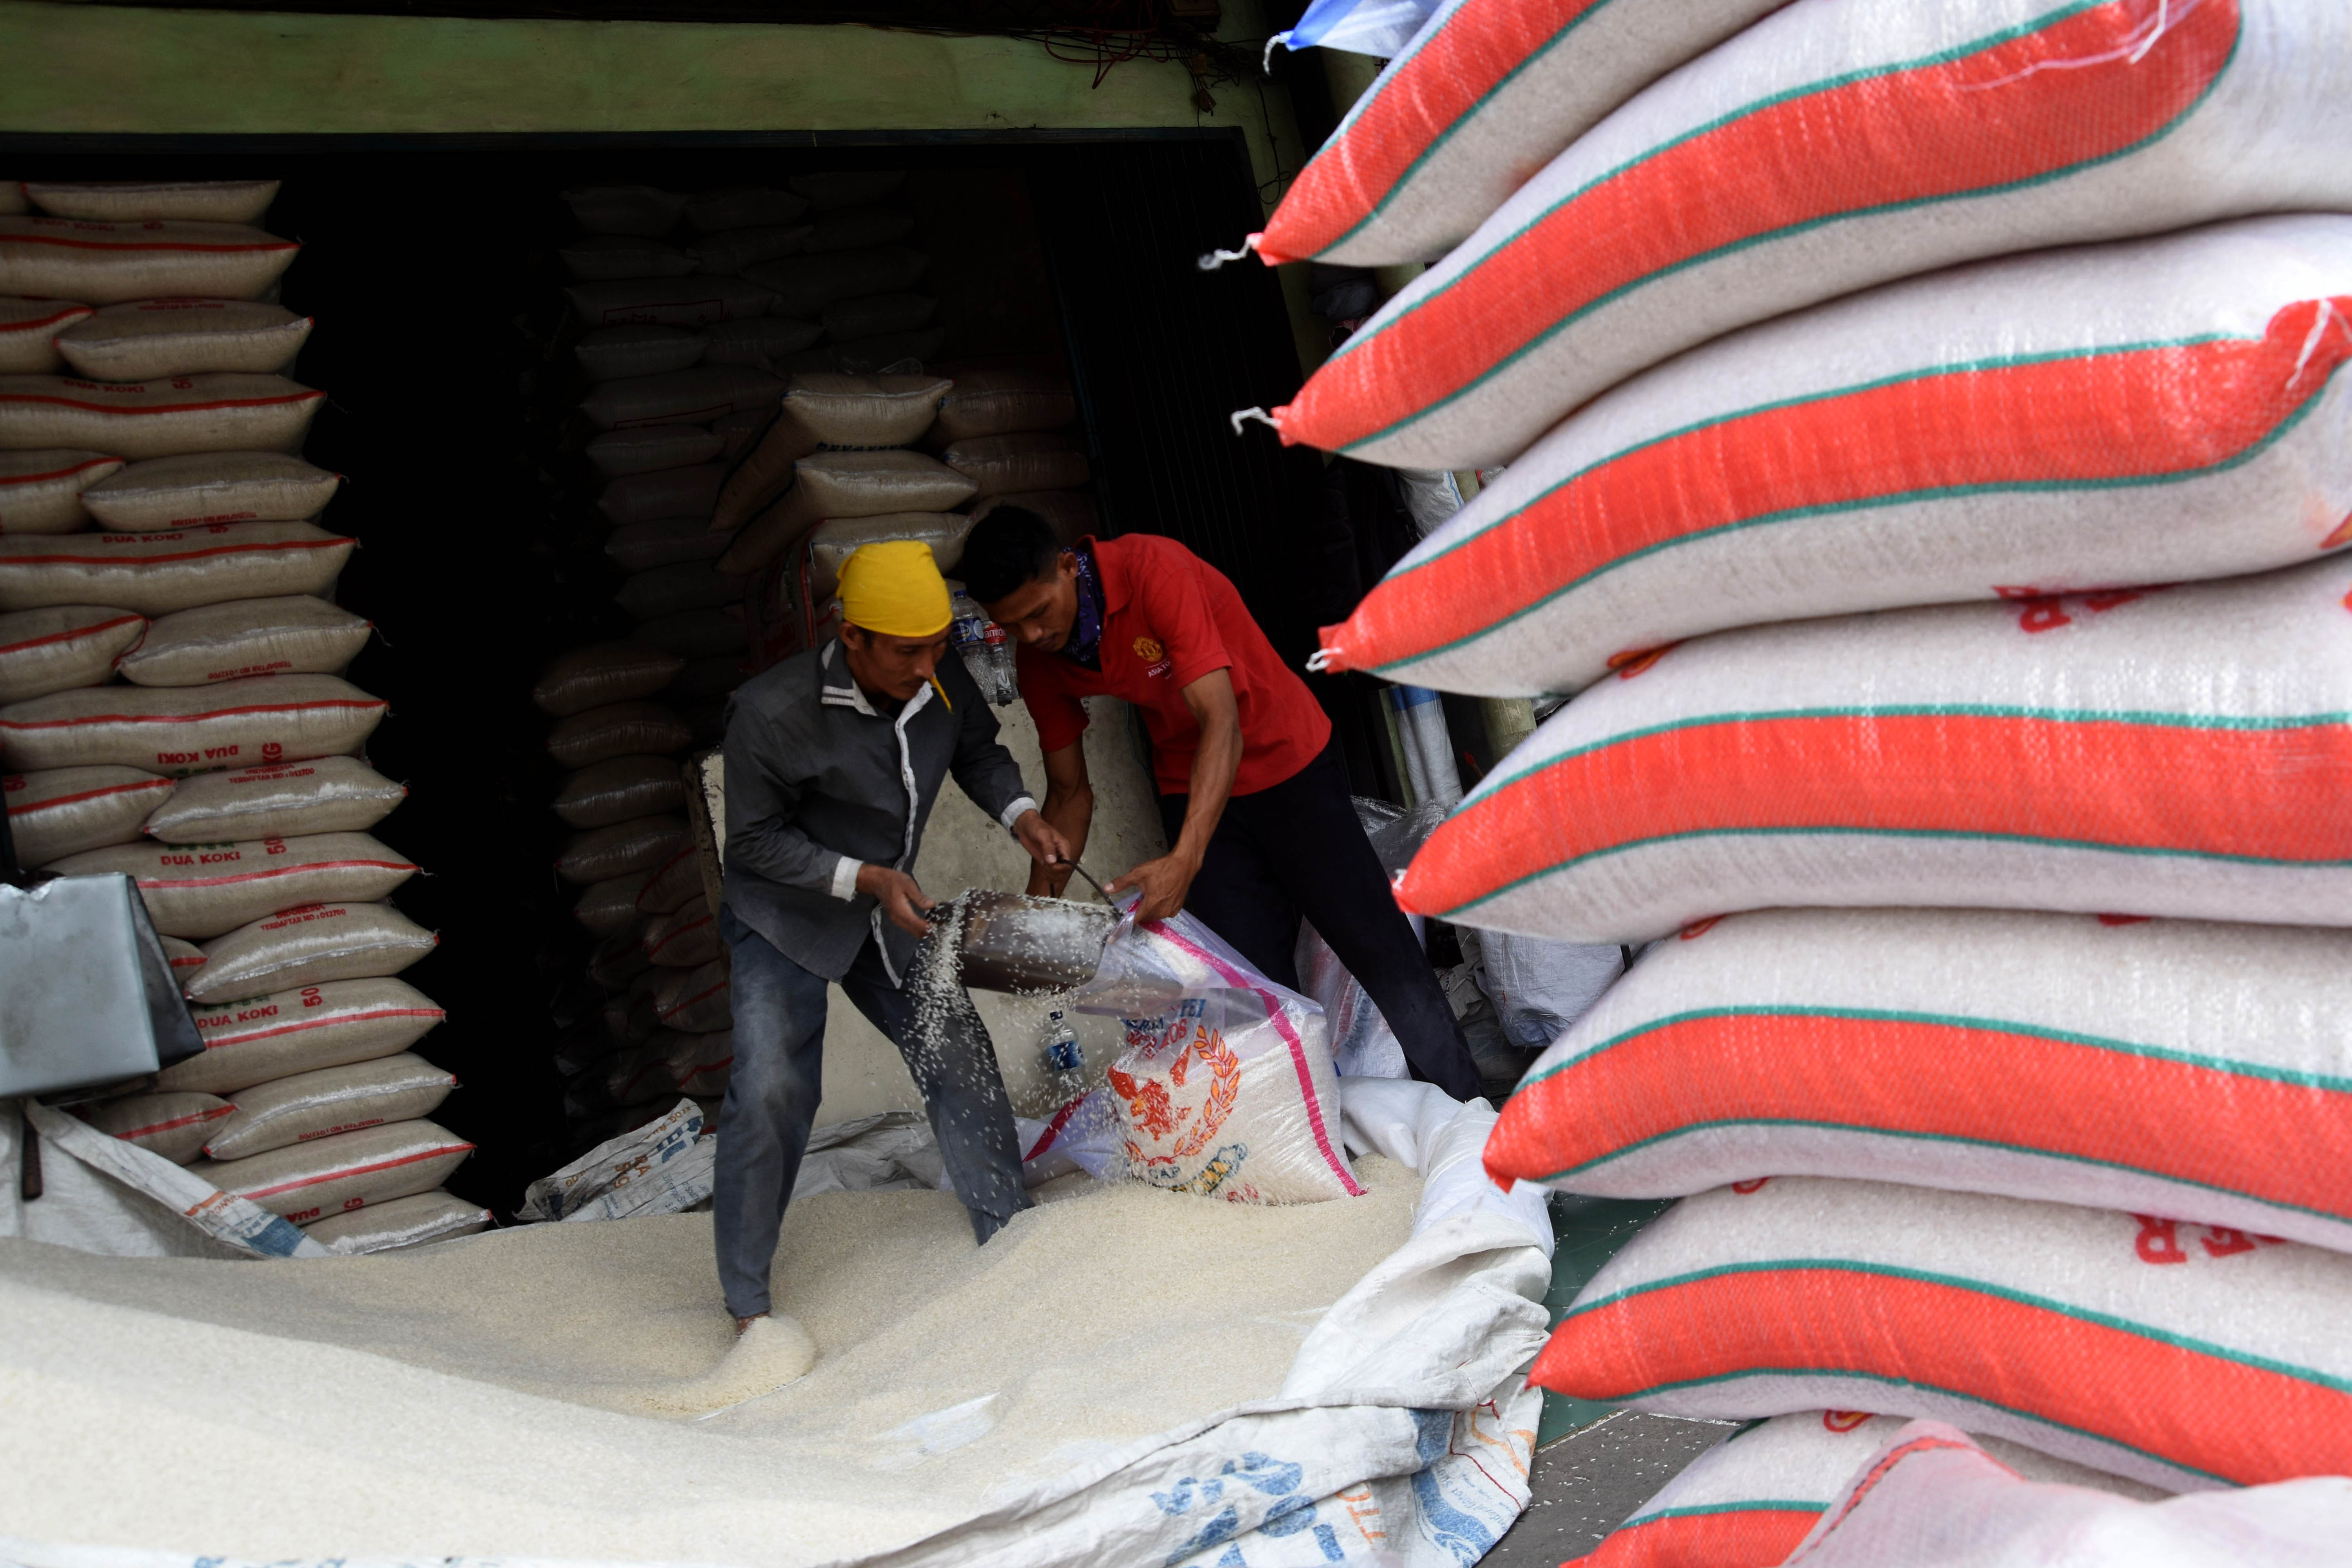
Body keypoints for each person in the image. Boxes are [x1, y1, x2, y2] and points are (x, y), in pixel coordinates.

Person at [959, 508, 1481, 1100]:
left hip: (1284, 761)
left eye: (1038, 613)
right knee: (1253, 995)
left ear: (1066, 567)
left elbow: (1222, 722)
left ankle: (1469, 1113)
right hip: (1192, 785)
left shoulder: (1155, 572)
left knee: (1379, 950)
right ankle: (1317, 1135)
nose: (1031, 635)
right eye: (1012, 625)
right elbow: (1070, 792)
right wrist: (1034, 918)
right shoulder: (1040, 660)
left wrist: (1185, 859)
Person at [716, 538, 1071, 1333]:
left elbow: (978, 751)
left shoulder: (937, 674)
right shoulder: (770, 712)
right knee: (773, 1087)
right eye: (908, 651)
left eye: (938, 646)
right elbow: (753, 843)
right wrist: (867, 878)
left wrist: (1022, 815)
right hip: (785, 914)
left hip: (888, 902)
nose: (926, 666)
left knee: (955, 1050)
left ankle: (1010, 1237)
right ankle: (748, 1304)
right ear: (852, 637)